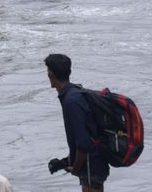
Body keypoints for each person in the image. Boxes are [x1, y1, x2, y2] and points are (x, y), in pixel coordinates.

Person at [45, 54, 109, 192]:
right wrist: (66, 161)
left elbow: (84, 143)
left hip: (92, 166)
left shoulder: (72, 101)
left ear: (51, 73)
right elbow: (86, 134)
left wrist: (75, 168)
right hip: (94, 163)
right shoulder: (73, 93)